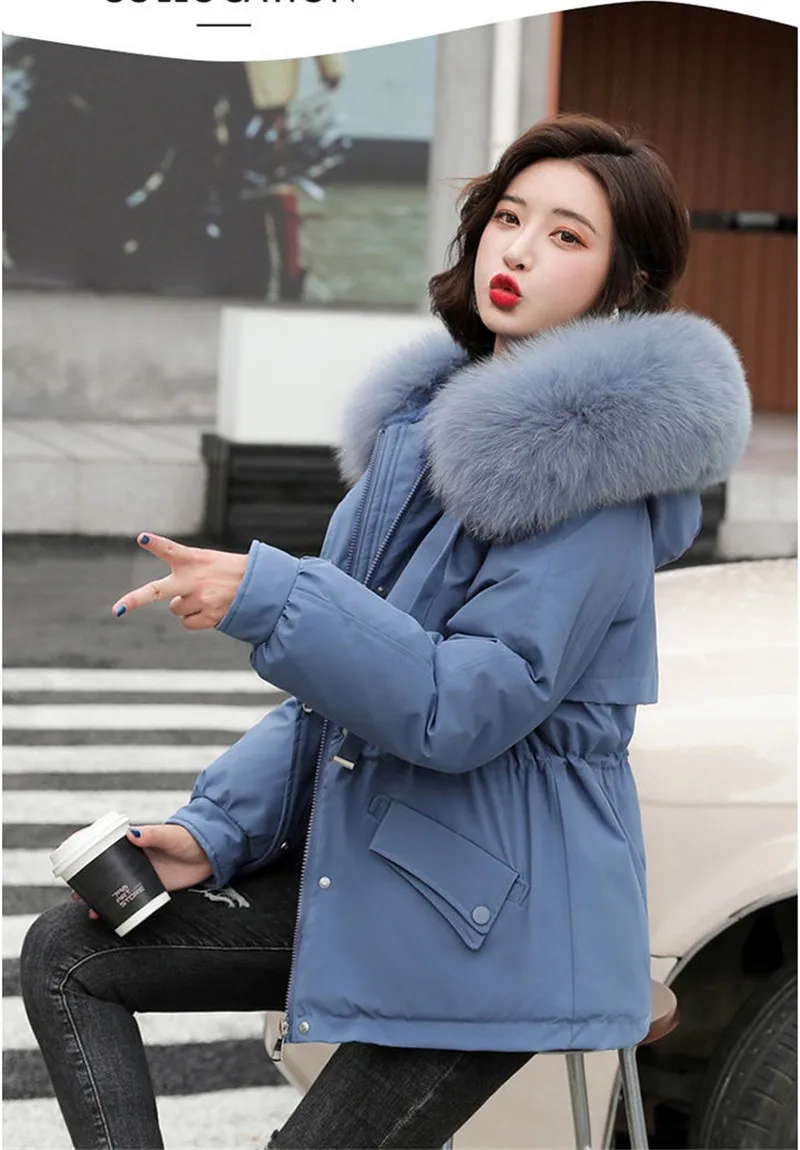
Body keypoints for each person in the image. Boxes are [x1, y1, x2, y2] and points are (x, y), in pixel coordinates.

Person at [20, 113, 751, 1150]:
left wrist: (273, 597)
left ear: (624, 285)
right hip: (403, 870)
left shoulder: (594, 483)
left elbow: (461, 706)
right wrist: (214, 831)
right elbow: (342, 696)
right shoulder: (425, 441)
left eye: (566, 236)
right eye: (508, 217)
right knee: (69, 952)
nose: (517, 250)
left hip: (497, 920)